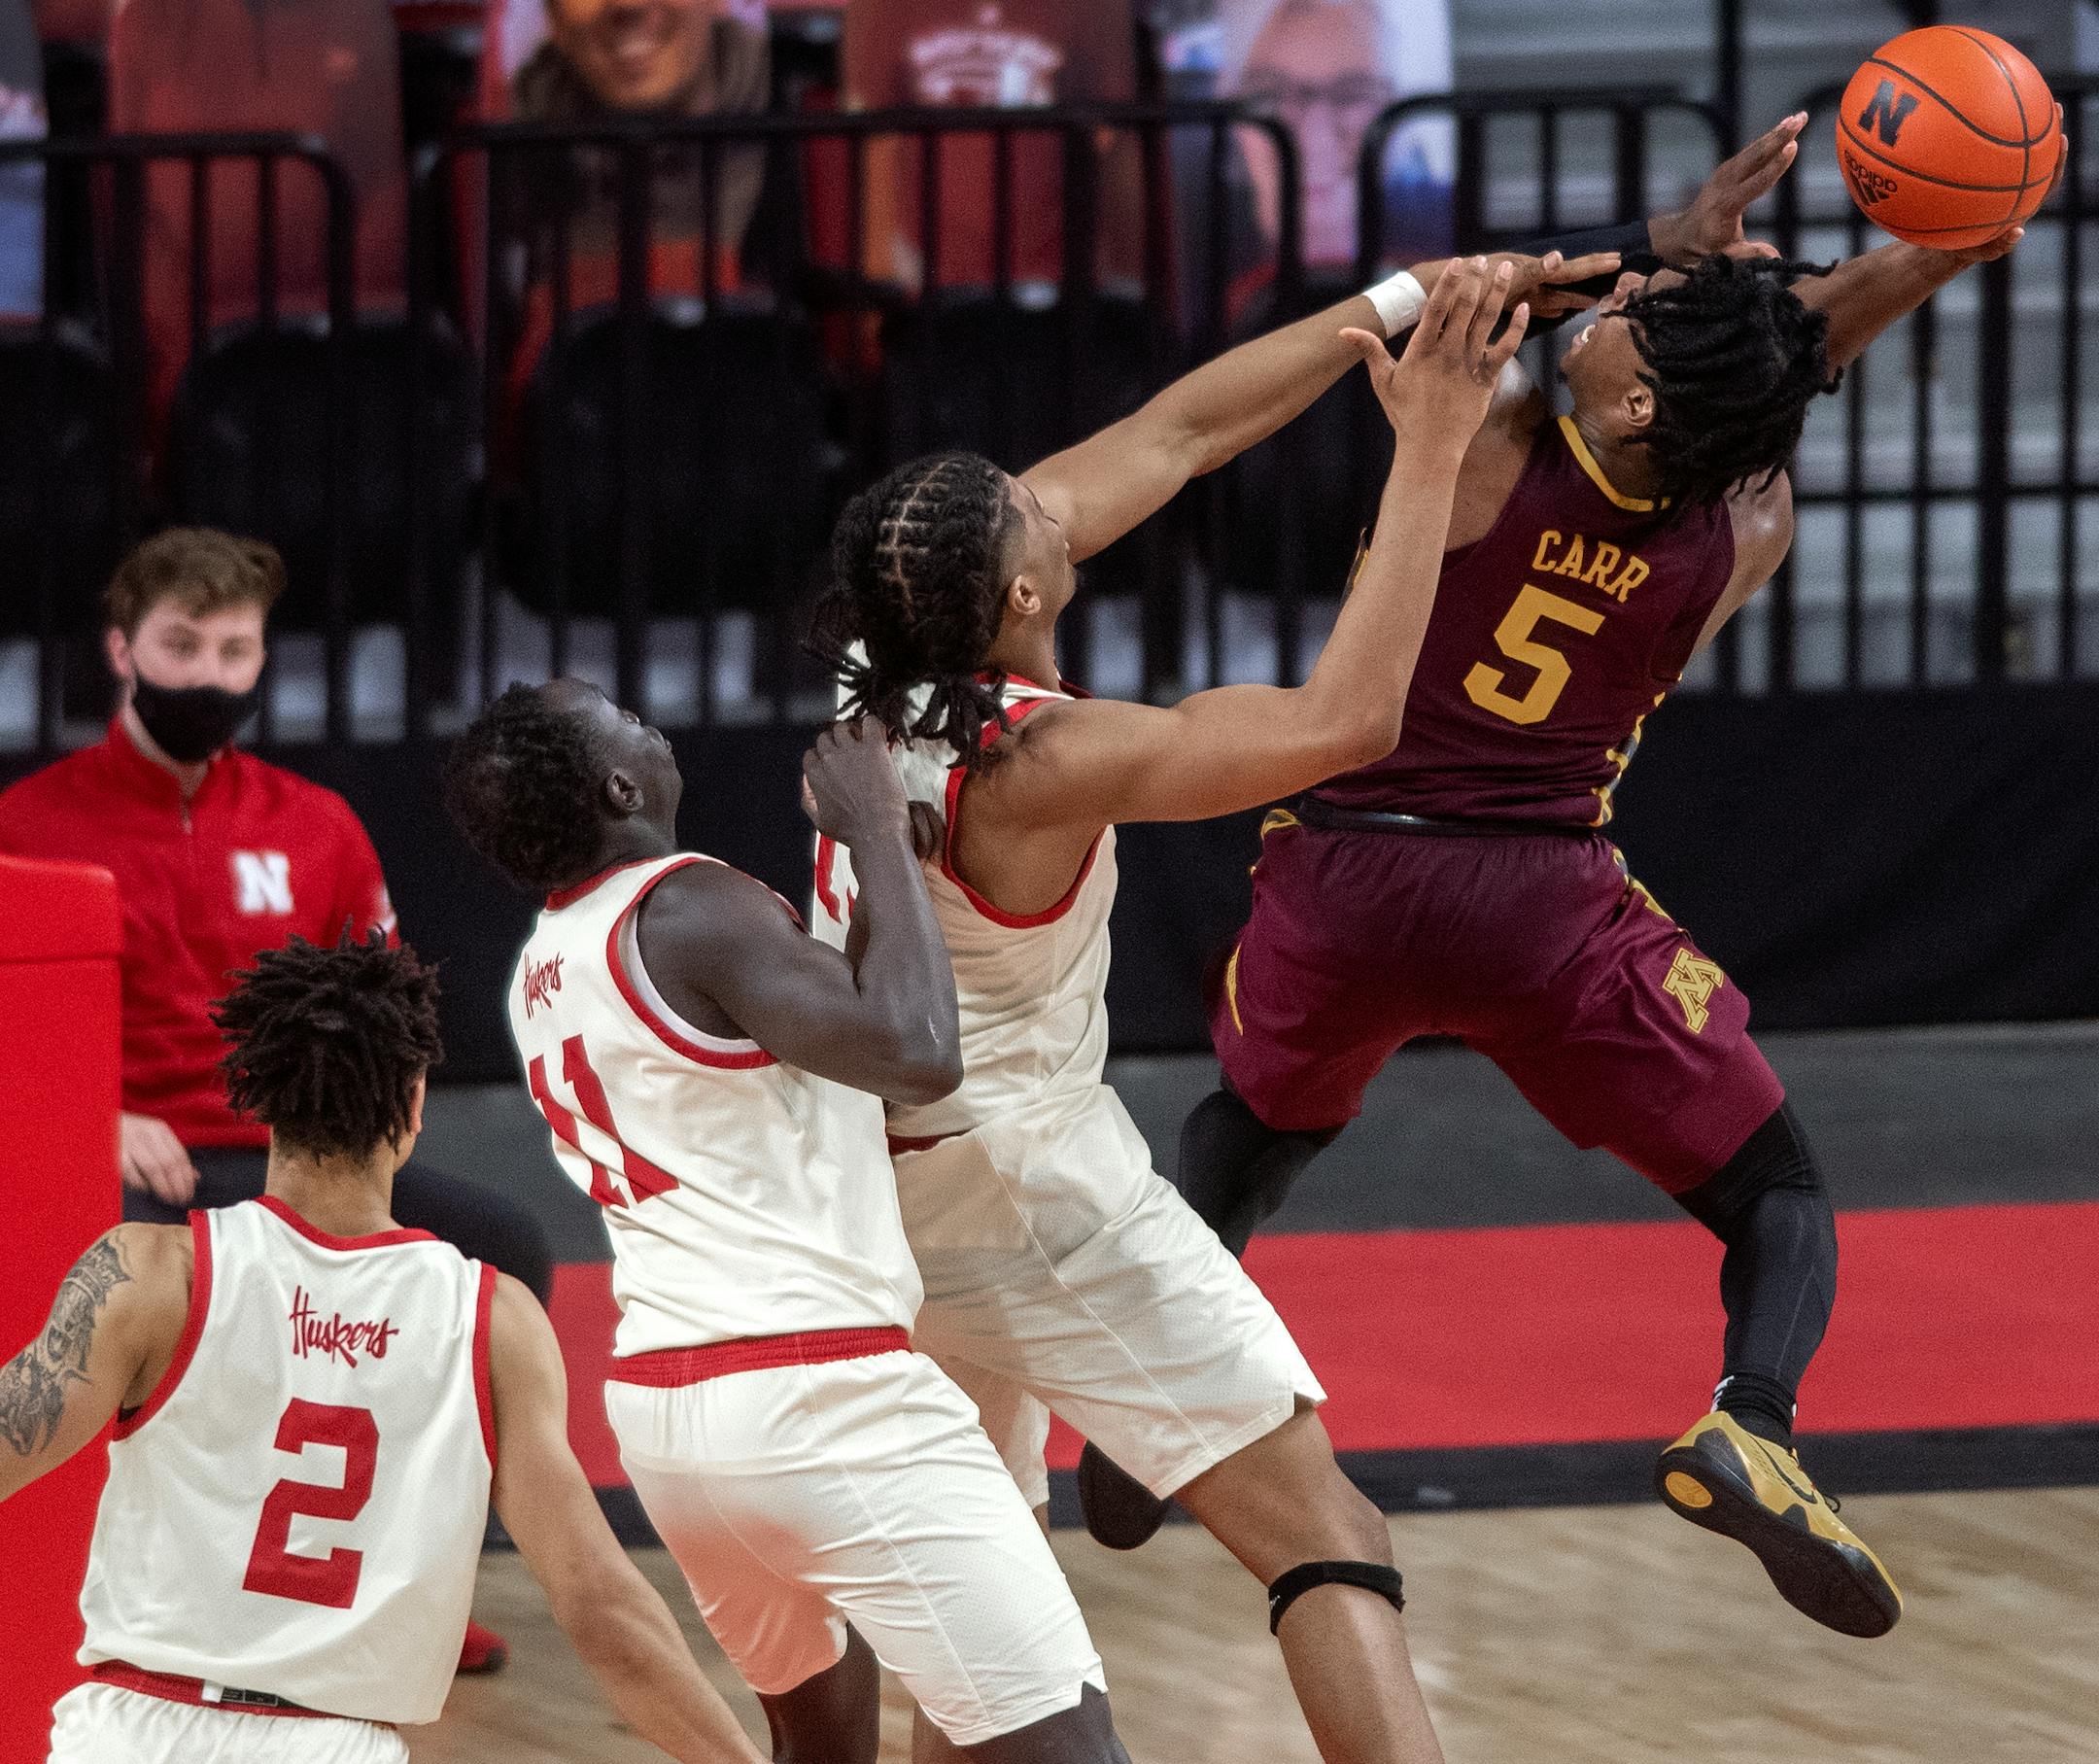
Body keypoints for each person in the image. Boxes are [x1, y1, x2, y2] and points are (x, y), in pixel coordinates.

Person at [1168, 135, 2052, 1642]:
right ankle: (1755, 1420)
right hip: (1548, 900)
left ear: (1634, 398)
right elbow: (1794, 347)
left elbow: (1508, 288)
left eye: (1642, 319)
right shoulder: (1741, 524)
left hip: (1350, 872)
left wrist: (1656, 236)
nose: (1624, 302)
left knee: (1253, 1128)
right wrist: (1965, 226)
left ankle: (1157, 1401)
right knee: (1776, 1191)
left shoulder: (1496, 421)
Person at [812, 255, 1553, 1764]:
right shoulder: (1042, 760)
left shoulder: (876, 674)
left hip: (881, 1191)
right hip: (1022, 1182)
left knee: (987, 1624)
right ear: (1020, 592)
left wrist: (1404, 302)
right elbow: (1349, 722)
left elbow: (1182, 429)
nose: (1051, 499)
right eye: (1029, 512)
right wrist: (1427, 446)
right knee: (1323, 1529)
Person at [443, 689, 1132, 1763]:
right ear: (620, 787)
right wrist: (867, 829)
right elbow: (915, 1052)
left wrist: (883, 875)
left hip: (673, 1420)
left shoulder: (544, 964)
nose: (646, 719)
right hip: (820, 1389)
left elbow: (836, 1049)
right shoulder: (690, 904)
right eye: (619, 716)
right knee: (1070, 1745)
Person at [0, 930, 763, 1764]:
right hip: (336, 1744)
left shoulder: (148, 1275)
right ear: (413, 1104)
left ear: (255, 1096)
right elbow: (600, 1604)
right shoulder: (490, 1320)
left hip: (130, 1731)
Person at [0, 526, 551, 1674]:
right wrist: (93, 1115)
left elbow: (396, 1012)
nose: (207, 675)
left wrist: (371, 1160)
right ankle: (141, 1595)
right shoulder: (30, 825)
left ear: (262, 662)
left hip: (302, 1162)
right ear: (121, 647)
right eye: (180, 644)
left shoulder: (316, 823)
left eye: (234, 650)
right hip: (123, 1169)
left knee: (501, 1248)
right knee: (129, 1284)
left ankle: (414, 1584)